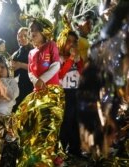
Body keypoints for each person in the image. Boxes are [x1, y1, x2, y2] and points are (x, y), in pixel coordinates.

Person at [15, 17, 65, 167]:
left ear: (44, 32)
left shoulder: (51, 45)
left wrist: (42, 79)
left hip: (51, 92)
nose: (32, 32)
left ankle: (55, 159)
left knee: (49, 126)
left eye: (35, 29)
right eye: (30, 30)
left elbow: (56, 65)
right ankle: (37, 158)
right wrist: (35, 80)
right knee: (31, 124)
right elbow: (30, 71)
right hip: (37, 94)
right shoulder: (31, 53)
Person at [58, 31, 84, 157]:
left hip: (77, 91)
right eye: (69, 41)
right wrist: (71, 59)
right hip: (65, 92)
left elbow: (83, 72)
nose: (72, 44)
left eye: (74, 42)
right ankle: (60, 149)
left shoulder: (77, 57)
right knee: (66, 121)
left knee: (76, 121)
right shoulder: (59, 57)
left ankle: (75, 149)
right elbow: (60, 74)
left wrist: (78, 61)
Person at [11, 27, 33, 112]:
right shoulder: (16, 53)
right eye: (20, 36)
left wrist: (20, 65)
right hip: (17, 85)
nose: (22, 38)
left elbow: (36, 68)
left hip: (29, 84)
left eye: (25, 35)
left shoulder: (33, 50)